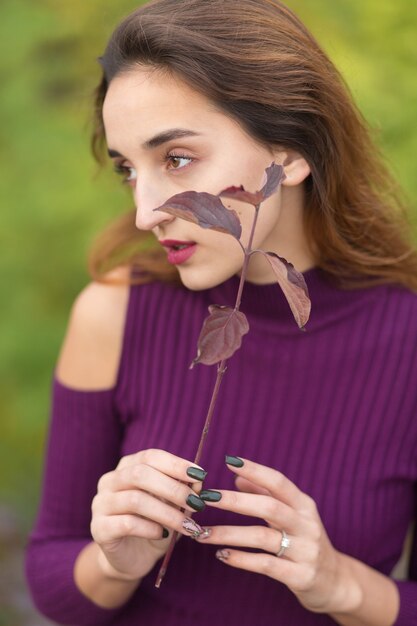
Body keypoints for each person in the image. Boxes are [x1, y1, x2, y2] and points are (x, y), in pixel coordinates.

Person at [25, 1, 417, 624]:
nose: (146, 211)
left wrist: (340, 583)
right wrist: (114, 562)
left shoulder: (406, 340)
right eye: (129, 169)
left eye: (176, 158)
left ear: (289, 152)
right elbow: (51, 576)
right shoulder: (114, 313)